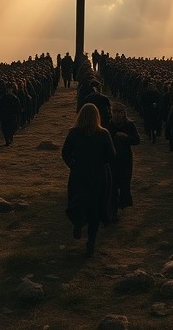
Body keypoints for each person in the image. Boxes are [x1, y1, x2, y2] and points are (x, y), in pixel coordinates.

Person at [61, 103, 116, 256]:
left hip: (79, 173)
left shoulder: (74, 133)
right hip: (99, 175)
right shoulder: (104, 133)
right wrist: (101, 163)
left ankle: (77, 223)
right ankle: (91, 241)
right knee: (95, 207)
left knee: (78, 200)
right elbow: (111, 155)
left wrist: (73, 165)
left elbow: (65, 152)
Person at [104, 103, 140, 223]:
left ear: (124, 113)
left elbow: (136, 140)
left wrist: (126, 136)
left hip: (125, 159)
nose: (118, 115)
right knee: (112, 185)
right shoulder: (108, 126)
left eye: (120, 112)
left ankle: (122, 203)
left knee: (124, 182)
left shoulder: (130, 125)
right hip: (111, 160)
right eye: (115, 112)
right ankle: (112, 212)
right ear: (112, 113)